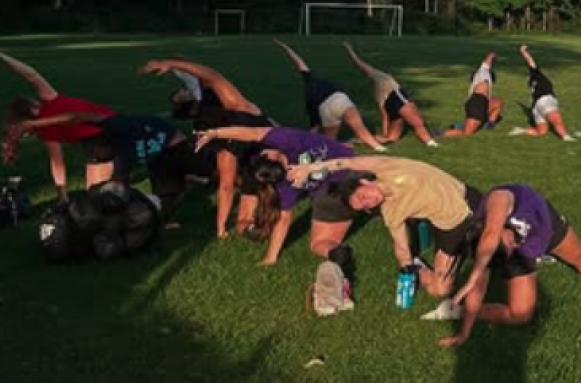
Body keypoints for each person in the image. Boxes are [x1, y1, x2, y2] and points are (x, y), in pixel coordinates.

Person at [436, 184, 581, 346]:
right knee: (520, 314)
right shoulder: (490, 247)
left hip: (542, 220)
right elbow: (477, 288)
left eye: (508, 243)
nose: (514, 245)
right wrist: (464, 333)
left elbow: (490, 234)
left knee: (580, 259)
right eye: (510, 249)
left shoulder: (498, 199)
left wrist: (476, 271)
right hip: (529, 245)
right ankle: (455, 310)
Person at [287, 156, 473, 300]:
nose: (369, 202)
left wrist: (309, 168)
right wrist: (407, 270)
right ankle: (420, 266)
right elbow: (401, 247)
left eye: (362, 197)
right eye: (364, 206)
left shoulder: (385, 167)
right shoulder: (391, 211)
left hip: (467, 199)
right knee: (440, 289)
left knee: (484, 247)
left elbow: (346, 162)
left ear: (364, 183)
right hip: (451, 225)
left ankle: (469, 244)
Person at [138, 57, 274, 238]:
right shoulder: (236, 110)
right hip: (214, 148)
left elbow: (226, 188)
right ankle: (175, 195)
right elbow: (212, 76)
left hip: (221, 150)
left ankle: (186, 187)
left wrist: (221, 228)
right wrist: (171, 64)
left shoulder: (233, 139)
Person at [194, 125, 358, 266]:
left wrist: (216, 133)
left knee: (318, 243)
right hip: (343, 179)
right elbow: (284, 219)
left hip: (349, 172)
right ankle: (340, 255)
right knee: (320, 244)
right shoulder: (282, 179)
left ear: (270, 155)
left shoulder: (287, 142)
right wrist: (270, 257)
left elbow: (252, 133)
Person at [10, 111, 212, 223]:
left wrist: (32, 124)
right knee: (161, 206)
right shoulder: (120, 160)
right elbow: (115, 191)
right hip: (158, 159)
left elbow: (75, 116)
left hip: (175, 145)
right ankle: (188, 181)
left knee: (211, 172)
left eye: (99, 159)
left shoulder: (117, 125)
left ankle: (193, 176)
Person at [0, 51, 115, 202]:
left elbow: (57, 164)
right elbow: (31, 75)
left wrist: (62, 197)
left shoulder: (48, 112)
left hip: (107, 132)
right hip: (100, 136)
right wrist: (4, 57)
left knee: (100, 196)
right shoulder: (49, 100)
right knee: (96, 194)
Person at [273, 39, 387, 151]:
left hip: (324, 109)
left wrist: (306, 139)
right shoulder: (310, 78)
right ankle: (377, 146)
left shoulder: (309, 100)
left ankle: (335, 146)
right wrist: (285, 46)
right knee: (359, 126)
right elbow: (299, 62)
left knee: (329, 141)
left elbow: (314, 128)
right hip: (339, 99)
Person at [343, 42, 438, 148]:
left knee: (391, 138)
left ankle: (363, 139)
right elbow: (359, 63)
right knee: (417, 122)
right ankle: (430, 142)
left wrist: (385, 133)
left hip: (391, 109)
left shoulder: (376, 91)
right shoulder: (378, 76)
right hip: (397, 100)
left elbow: (384, 115)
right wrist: (350, 50)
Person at [507, 45, 574, 141]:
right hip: (545, 100)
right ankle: (566, 137)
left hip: (536, 107)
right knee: (556, 119)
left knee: (541, 131)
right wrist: (523, 51)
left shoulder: (534, 83)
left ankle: (521, 130)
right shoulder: (537, 74)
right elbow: (530, 61)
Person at [445, 52, 503, 138]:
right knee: (467, 133)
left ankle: (489, 125)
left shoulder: (486, 77)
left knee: (498, 102)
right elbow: (489, 58)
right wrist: (493, 55)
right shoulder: (482, 71)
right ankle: (436, 134)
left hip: (482, 103)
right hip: (476, 102)